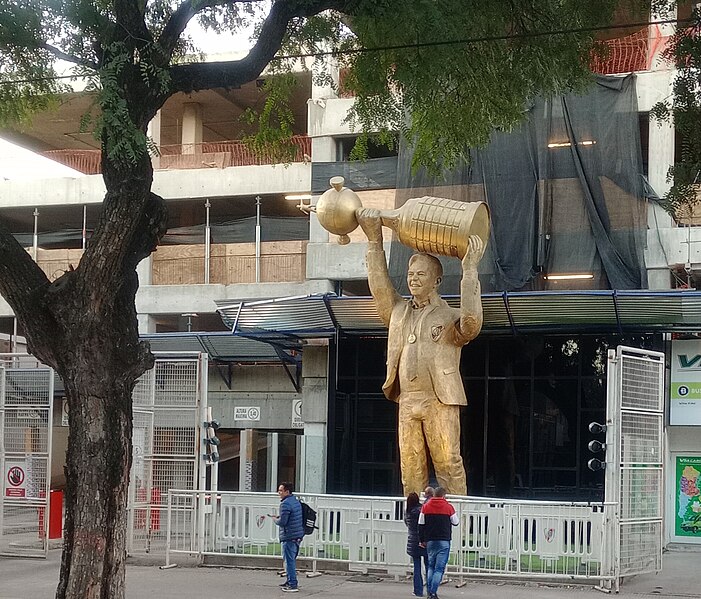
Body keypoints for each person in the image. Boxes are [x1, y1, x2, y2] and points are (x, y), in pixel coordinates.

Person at [358, 208, 484, 495]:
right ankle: (414, 523)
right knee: (410, 465)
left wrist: (470, 270)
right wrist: (374, 240)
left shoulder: (449, 316)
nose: (413, 279)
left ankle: (454, 523)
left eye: (421, 275)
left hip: (438, 399)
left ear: (437, 281)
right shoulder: (398, 311)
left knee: (448, 462)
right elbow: (379, 289)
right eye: (410, 274)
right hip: (407, 399)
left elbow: (472, 324)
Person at [418, 487, 459, 599]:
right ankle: (433, 592)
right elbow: (456, 522)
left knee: (431, 566)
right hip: (444, 540)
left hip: (430, 540)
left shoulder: (425, 507)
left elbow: (420, 525)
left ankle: (430, 591)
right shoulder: (448, 507)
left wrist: (422, 540)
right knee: (439, 569)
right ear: (443, 496)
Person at [271, 482, 304, 593]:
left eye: (281, 490)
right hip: (298, 534)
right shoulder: (295, 501)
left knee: (289, 561)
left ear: (287, 491)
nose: (279, 493)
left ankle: (293, 584)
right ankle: (289, 581)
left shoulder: (285, 504)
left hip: (289, 535)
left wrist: (275, 520)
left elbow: (283, 522)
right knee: (291, 560)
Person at [405, 492, 428, 597]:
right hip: (424, 540)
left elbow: (407, 524)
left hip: (413, 541)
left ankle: (418, 591)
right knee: (429, 566)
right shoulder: (423, 509)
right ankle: (431, 590)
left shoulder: (408, 512)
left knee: (417, 567)